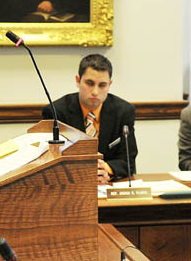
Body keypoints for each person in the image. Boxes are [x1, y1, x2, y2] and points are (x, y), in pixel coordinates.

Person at [42, 54, 137, 184]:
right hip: (71, 185)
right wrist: (86, 172)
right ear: (78, 80)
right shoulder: (56, 112)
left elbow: (128, 161)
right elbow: (49, 161)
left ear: (110, 84)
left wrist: (106, 169)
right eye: (89, 83)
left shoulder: (123, 111)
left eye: (102, 85)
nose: (95, 92)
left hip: (108, 185)